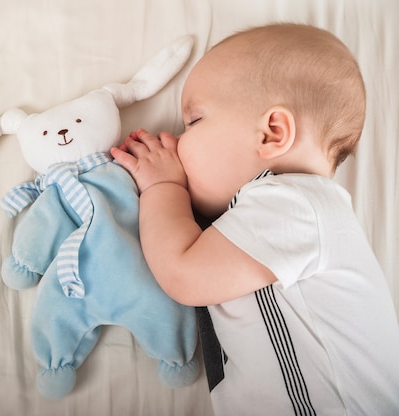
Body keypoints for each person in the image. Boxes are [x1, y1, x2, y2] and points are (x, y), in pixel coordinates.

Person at [110, 23, 399, 416]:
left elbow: (183, 272)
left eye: (194, 122)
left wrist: (163, 186)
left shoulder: (295, 204)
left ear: (272, 133)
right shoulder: (286, 211)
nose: (176, 139)